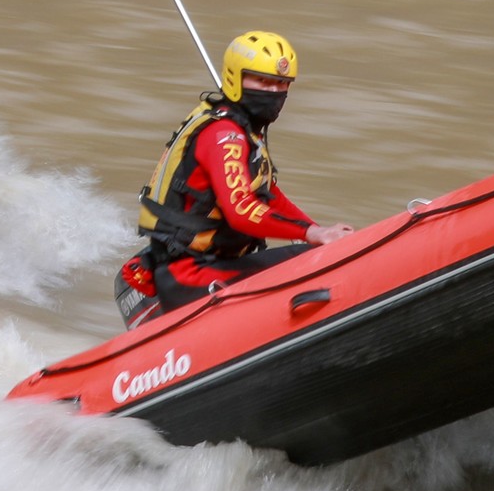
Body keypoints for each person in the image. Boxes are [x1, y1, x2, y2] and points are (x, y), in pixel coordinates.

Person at [114, 30, 355, 328]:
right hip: (191, 273)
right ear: (235, 80)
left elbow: (267, 195)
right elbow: (240, 210)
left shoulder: (244, 132)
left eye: (281, 84)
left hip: (216, 263)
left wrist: (318, 230)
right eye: (262, 81)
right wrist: (312, 234)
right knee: (312, 262)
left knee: (316, 252)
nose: (273, 92)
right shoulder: (223, 135)